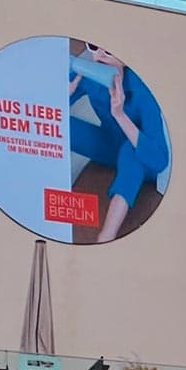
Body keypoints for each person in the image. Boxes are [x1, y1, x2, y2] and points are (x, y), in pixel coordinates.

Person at [68, 46, 169, 242]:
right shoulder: (89, 76)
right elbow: (45, 110)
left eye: (109, 50)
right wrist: (62, 94)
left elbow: (159, 161)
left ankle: (106, 236)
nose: (100, 55)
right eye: (94, 46)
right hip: (109, 146)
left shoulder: (143, 91)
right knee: (60, 124)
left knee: (129, 153)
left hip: (142, 158)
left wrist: (120, 115)